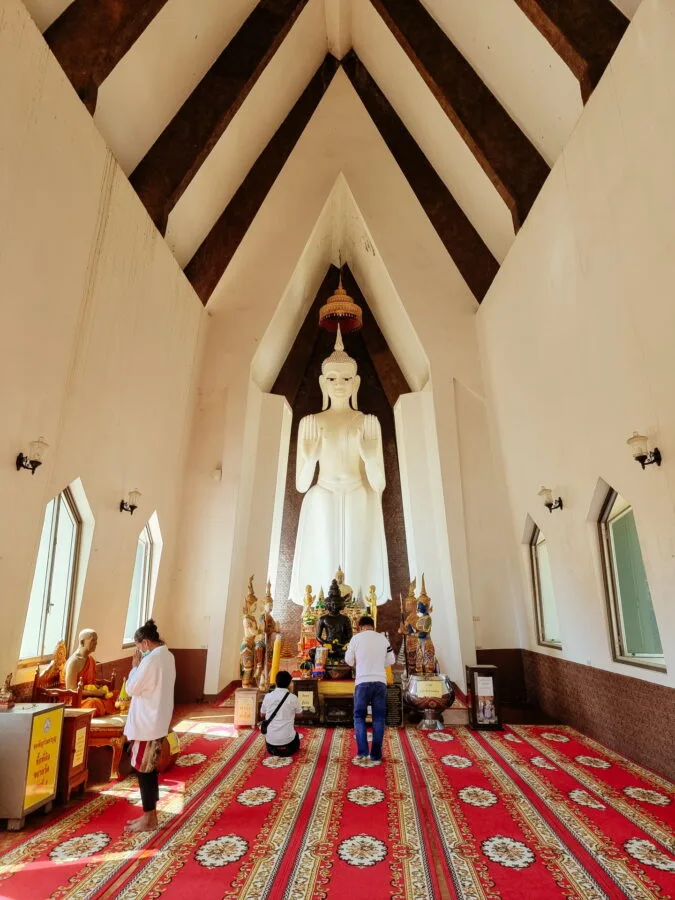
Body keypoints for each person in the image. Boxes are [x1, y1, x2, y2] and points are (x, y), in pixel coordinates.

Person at [123, 620, 176, 833]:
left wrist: (135, 667)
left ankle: (149, 817)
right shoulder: (167, 655)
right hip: (157, 720)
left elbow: (131, 688)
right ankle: (150, 814)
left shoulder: (151, 660)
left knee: (144, 770)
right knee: (148, 768)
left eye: (138, 648)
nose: (138, 652)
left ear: (145, 643)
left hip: (147, 724)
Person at [345, 616, 395, 764]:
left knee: (359, 716)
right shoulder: (383, 639)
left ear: (360, 626)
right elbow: (391, 660)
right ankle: (376, 755)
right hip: (380, 682)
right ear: (373, 626)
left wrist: (358, 664)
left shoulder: (356, 639)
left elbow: (348, 660)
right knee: (378, 718)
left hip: (362, 682)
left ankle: (362, 752)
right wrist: (379, 663)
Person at [260, 671, 302, 757]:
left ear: (276, 682)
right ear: (289, 683)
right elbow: (299, 715)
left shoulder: (268, 696)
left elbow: (262, 715)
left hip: (271, 744)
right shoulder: (293, 698)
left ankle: (275, 749)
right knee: (296, 735)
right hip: (289, 744)